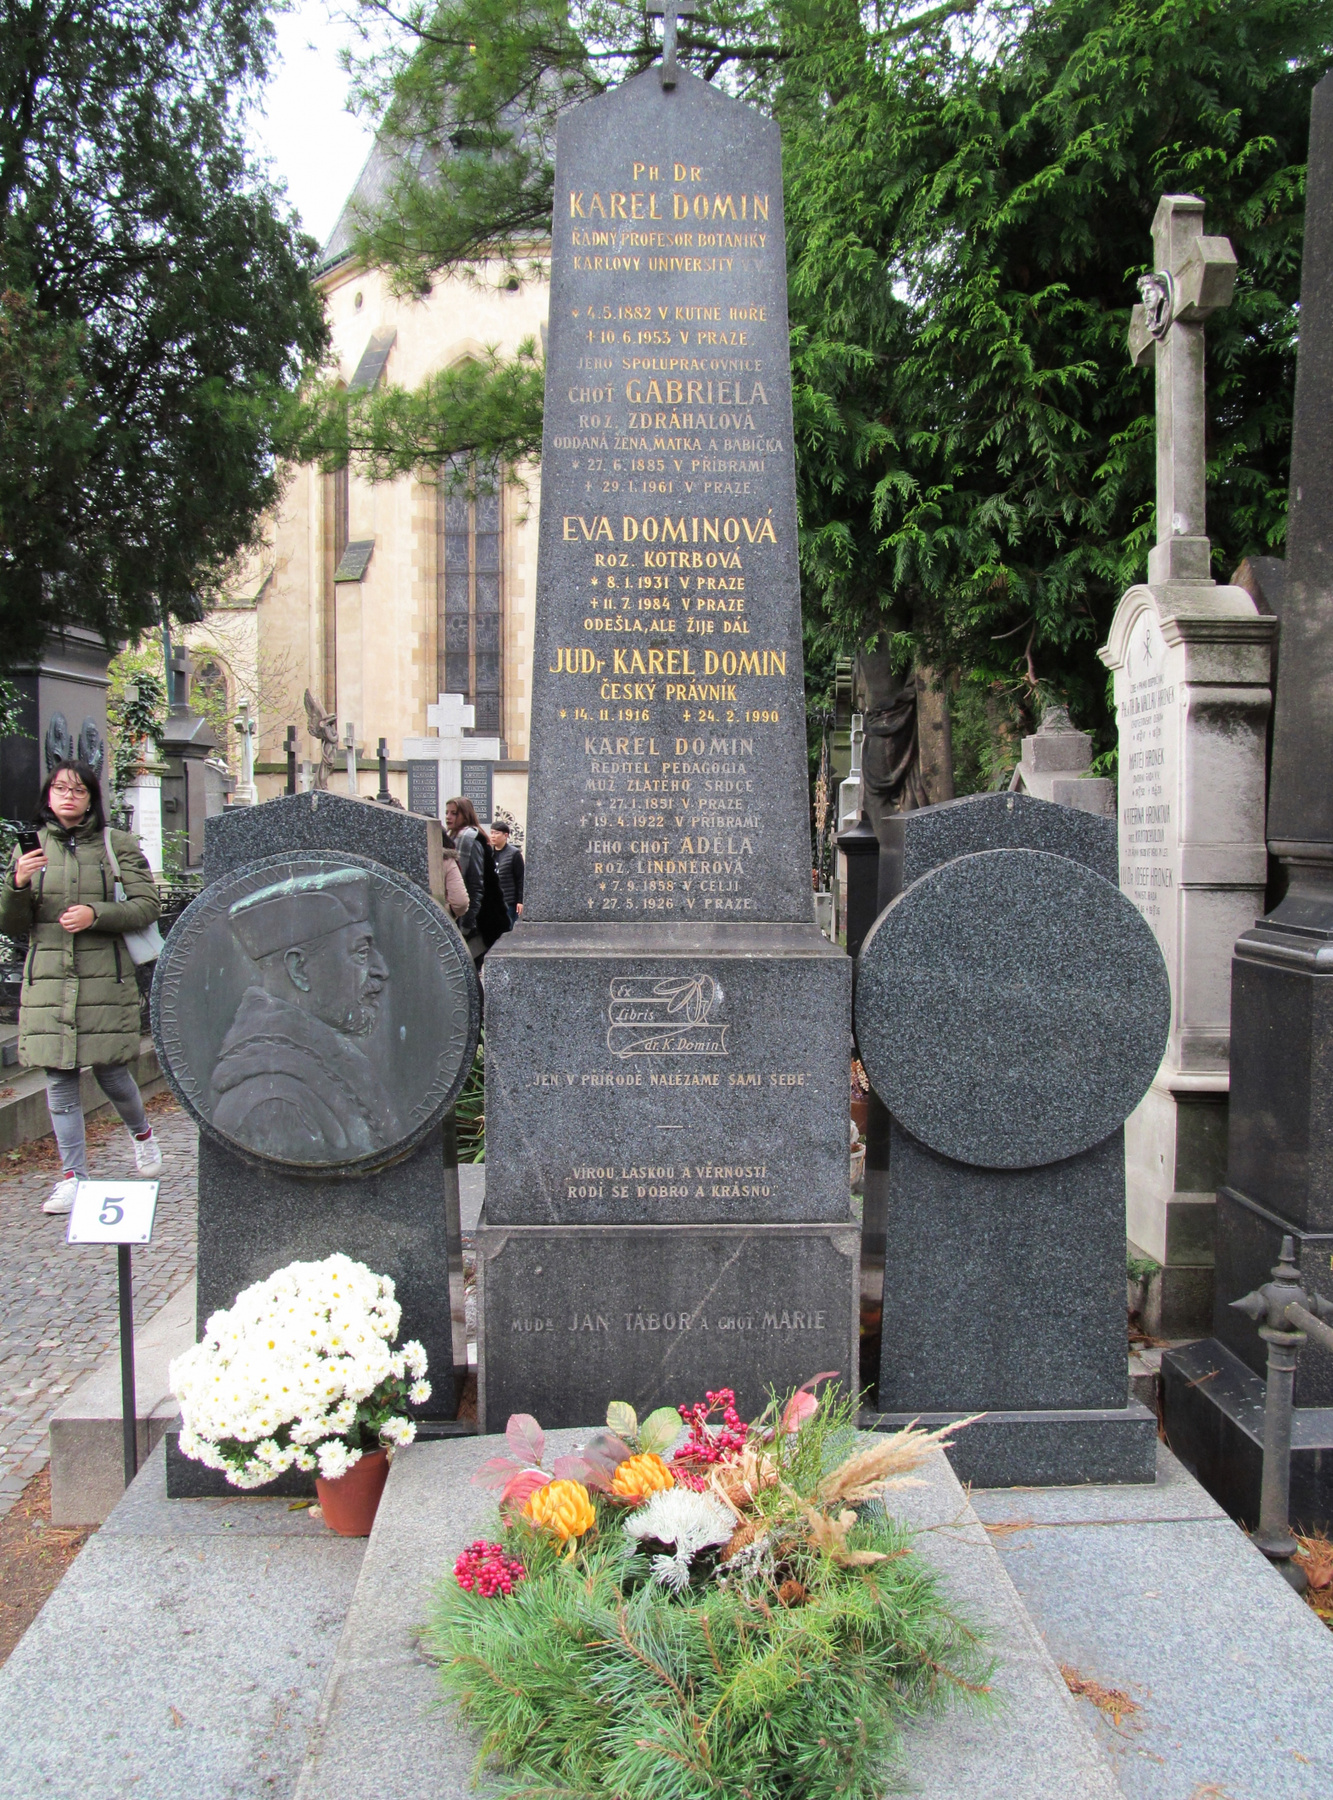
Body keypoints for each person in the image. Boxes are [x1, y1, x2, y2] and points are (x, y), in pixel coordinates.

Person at [0, 759, 164, 1214]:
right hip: (49, 979)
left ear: (91, 798)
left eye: (77, 790)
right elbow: (11, 924)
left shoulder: (117, 844)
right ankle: (73, 1176)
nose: (68, 797)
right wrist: (17, 884)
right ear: (48, 796)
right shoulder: (30, 848)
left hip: (103, 976)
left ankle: (142, 1134)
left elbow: (147, 905)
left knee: (111, 1072)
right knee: (58, 1077)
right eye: (60, 789)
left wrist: (97, 914)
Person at [209, 867, 400, 1164]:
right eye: (361, 954)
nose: (380, 970)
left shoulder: (320, 1063)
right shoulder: (272, 1106)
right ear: (299, 969)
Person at [444, 797, 511, 965]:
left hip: (480, 920)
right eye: (447, 813)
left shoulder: (470, 840)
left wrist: (467, 925)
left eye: (454, 813)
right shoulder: (454, 838)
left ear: (465, 814)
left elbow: (476, 886)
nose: (448, 817)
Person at [489, 821, 524, 923]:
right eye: (491, 833)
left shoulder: (514, 854)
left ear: (505, 835)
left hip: (508, 902)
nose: (493, 836)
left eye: (496, 833)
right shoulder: (487, 853)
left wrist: (520, 901)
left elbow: (520, 879)